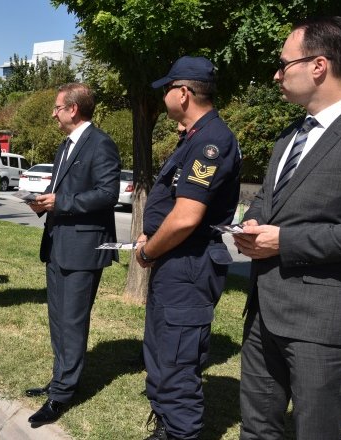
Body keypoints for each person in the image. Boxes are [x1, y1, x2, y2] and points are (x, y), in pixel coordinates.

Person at [233, 16, 341, 439]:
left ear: (318, 66)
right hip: (263, 313)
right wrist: (254, 222)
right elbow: (269, 199)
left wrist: (286, 241)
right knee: (256, 429)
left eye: (283, 64)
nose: (276, 75)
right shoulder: (289, 135)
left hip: (323, 324)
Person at [135, 56, 241, 440]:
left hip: (189, 266)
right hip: (177, 263)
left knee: (177, 365)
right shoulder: (194, 137)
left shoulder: (211, 141)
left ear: (183, 93)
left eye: (167, 89)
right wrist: (151, 237)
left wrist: (148, 251)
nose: (163, 96)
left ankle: (179, 432)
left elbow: (185, 218)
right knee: (162, 356)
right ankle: (166, 428)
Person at [24, 83, 121, 427]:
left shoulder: (101, 144)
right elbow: (60, 189)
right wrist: (43, 202)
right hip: (57, 244)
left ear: (73, 109)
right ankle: (60, 379)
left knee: (73, 321)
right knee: (58, 319)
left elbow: (108, 194)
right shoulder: (65, 145)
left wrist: (60, 202)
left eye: (57, 108)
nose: (53, 114)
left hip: (82, 250)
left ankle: (62, 394)